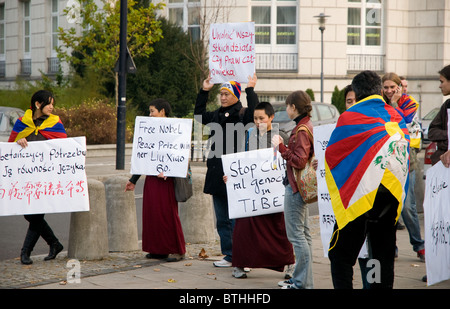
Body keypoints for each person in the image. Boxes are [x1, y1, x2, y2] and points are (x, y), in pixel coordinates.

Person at [325, 70, 410, 289]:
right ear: (380, 91)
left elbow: (333, 155)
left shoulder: (349, 117)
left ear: (357, 92)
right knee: (380, 255)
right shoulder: (396, 116)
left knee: (341, 255)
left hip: (360, 195)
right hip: (389, 196)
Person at [194, 73, 258, 267]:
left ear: (236, 95)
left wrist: (250, 89)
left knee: (237, 220)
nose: (222, 97)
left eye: (227, 93)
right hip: (216, 173)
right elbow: (198, 115)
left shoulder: (243, 114)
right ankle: (229, 255)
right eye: (221, 93)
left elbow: (255, 112)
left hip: (234, 174)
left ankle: (242, 255)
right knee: (222, 220)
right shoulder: (215, 114)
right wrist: (204, 90)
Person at [228, 102, 295, 279]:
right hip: (251, 193)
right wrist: (232, 176)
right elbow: (242, 160)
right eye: (255, 119)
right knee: (243, 229)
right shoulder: (249, 134)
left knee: (279, 229)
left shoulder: (281, 136)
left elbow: (288, 160)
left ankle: (289, 265)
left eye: (262, 118)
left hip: (273, 193)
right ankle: (241, 265)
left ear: (271, 117)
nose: (258, 122)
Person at [8, 90, 67, 265]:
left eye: (52, 103)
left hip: (46, 177)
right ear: (37, 104)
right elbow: (11, 148)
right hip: (26, 177)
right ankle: (54, 243)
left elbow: (64, 146)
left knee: (35, 213)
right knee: (30, 214)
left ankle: (25, 252)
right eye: (48, 103)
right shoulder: (21, 123)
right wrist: (19, 141)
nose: (52, 107)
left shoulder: (55, 123)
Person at [124, 99, 186, 262]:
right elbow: (142, 155)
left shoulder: (175, 129)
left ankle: (176, 249)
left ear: (163, 111)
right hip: (152, 177)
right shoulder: (148, 130)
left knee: (167, 215)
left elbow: (179, 154)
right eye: (150, 111)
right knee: (152, 213)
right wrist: (133, 180)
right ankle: (157, 249)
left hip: (167, 180)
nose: (150, 114)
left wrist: (169, 171)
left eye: (152, 111)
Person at [272, 90, 314, 289]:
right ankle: (305, 281)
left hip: (296, 188)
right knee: (303, 234)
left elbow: (299, 160)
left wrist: (281, 148)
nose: (286, 109)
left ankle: (300, 282)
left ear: (293, 107)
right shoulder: (306, 126)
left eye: (287, 106)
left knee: (297, 235)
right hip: (300, 187)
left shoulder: (301, 130)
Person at [382, 72, 425, 262]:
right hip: (386, 162)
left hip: (408, 161)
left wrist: (394, 104)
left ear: (399, 87)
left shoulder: (409, 102)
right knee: (389, 208)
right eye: (386, 87)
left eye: (393, 87)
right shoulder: (379, 103)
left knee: (408, 207)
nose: (390, 91)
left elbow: (401, 122)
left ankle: (418, 244)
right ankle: (391, 246)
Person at [428, 64, 450, 165]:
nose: (440, 86)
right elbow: (432, 132)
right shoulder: (447, 105)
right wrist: (447, 136)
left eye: (442, 82)